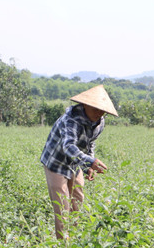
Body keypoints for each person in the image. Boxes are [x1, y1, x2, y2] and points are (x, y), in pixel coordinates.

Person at [40, 84, 117, 239]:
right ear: (85, 105)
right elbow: (68, 146)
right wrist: (90, 161)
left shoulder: (99, 122)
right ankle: (63, 247)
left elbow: (90, 143)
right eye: (95, 109)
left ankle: (74, 240)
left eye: (102, 110)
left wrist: (88, 166)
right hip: (56, 162)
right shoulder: (71, 120)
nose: (99, 113)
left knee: (77, 202)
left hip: (75, 163)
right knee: (62, 208)